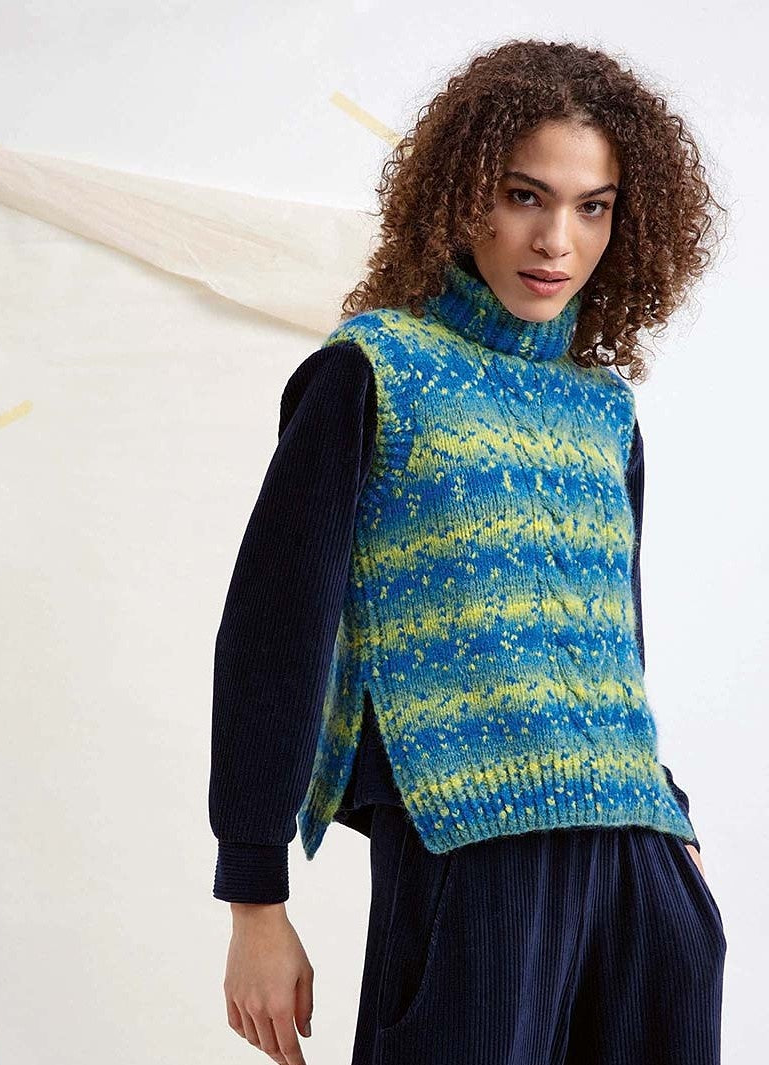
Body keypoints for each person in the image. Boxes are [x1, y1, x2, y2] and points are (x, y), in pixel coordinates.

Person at [209, 38, 728, 1065]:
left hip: (641, 871)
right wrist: (254, 897)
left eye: (593, 206)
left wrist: (669, 817)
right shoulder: (373, 373)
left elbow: (609, 645)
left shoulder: (602, 411)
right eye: (523, 195)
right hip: (471, 858)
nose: (556, 240)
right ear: (460, 195)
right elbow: (274, 634)